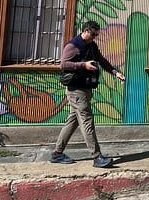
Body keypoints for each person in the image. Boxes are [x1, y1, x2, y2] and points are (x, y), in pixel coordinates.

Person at [50, 21, 126, 167]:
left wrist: (115, 72)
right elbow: (63, 64)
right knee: (87, 121)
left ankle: (57, 153)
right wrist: (83, 65)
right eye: (93, 34)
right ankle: (97, 157)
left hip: (85, 89)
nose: (94, 37)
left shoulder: (92, 45)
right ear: (85, 31)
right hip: (76, 90)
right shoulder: (73, 46)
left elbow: (102, 60)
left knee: (72, 121)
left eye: (96, 35)